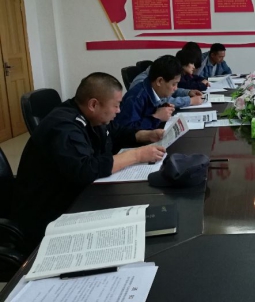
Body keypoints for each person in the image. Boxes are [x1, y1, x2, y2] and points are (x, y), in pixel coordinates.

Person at [11, 72, 166, 249]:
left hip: (78, 194)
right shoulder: (63, 127)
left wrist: (147, 135)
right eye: (116, 105)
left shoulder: (93, 117)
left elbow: (116, 132)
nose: (118, 111)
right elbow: (86, 169)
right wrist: (136, 155)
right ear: (93, 104)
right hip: (49, 212)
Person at [116, 55, 185, 130]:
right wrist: (156, 117)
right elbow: (126, 130)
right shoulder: (136, 98)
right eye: (174, 84)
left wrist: (162, 108)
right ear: (159, 81)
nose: (176, 88)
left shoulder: (154, 91)